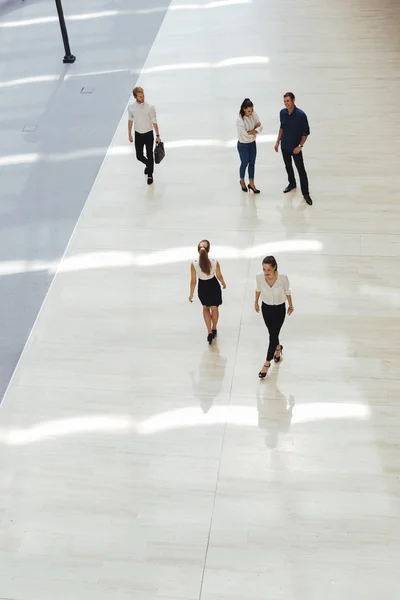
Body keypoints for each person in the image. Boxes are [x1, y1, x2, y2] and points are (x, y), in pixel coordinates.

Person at [254, 256, 294, 378]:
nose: (266, 272)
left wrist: (291, 305)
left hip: (279, 309)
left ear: (274, 267)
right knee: (272, 333)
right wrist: (256, 302)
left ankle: (266, 364)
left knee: (273, 335)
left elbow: (287, 291)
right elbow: (258, 289)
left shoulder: (282, 278)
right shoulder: (259, 277)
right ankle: (278, 349)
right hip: (266, 308)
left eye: (268, 270)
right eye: (264, 269)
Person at [274, 92, 313, 205]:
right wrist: (277, 142)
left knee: (301, 170)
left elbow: (305, 133)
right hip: (285, 146)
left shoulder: (301, 115)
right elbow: (282, 127)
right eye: (285, 101)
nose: (286, 103)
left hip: (295, 148)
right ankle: (292, 183)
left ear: (293, 100)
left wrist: (300, 146)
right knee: (288, 166)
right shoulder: (282, 113)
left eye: (288, 101)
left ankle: (306, 193)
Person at [189, 240, 226, 344]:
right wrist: (223, 283)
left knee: (205, 308)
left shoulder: (194, 264)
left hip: (203, 287)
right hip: (213, 285)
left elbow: (193, 281)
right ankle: (214, 327)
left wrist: (191, 294)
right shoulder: (214, 262)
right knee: (214, 308)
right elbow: (219, 275)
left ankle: (209, 331)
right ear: (209, 250)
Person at [128, 86, 161, 185]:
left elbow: (154, 121)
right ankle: (148, 165)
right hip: (138, 134)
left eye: (143, 96)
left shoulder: (150, 107)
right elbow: (130, 121)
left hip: (148, 134)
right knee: (139, 156)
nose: (142, 98)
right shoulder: (131, 108)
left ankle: (150, 174)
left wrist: (157, 135)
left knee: (150, 154)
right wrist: (129, 134)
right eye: (140, 97)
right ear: (135, 97)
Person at [236, 98, 263, 193]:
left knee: (252, 163)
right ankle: (242, 180)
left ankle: (251, 183)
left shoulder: (253, 114)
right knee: (244, 163)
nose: (251, 113)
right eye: (248, 111)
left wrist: (252, 131)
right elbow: (245, 135)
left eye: (252, 110)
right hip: (243, 145)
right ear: (244, 109)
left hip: (252, 144)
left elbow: (260, 126)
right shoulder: (239, 120)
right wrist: (255, 130)